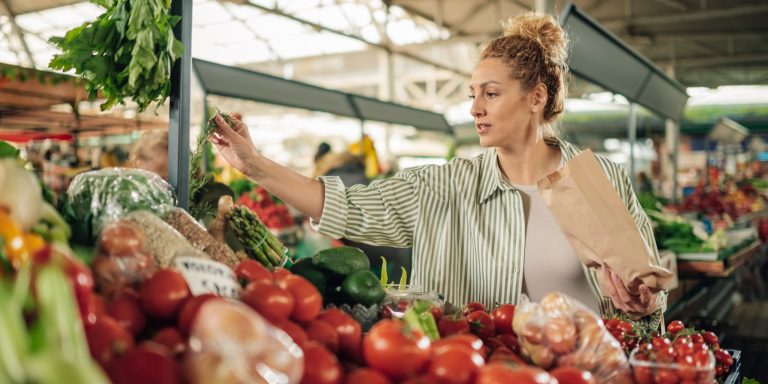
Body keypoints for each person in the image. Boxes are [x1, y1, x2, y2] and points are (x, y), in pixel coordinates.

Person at [211, 13, 666, 326]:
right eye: (472, 94)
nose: (474, 108)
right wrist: (254, 165)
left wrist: (644, 302)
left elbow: (646, 294)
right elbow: (348, 206)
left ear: (536, 98)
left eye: (490, 93)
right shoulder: (446, 185)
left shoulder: (599, 179)